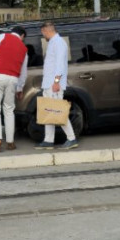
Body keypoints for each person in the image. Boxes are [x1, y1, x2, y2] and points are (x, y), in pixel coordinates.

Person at [34, 21, 78, 150]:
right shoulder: (54, 42)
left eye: (43, 33)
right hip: (49, 83)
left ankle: (71, 138)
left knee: (58, 111)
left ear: (46, 30)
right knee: (50, 110)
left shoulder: (58, 43)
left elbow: (60, 65)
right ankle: (48, 140)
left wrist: (56, 82)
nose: (43, 36)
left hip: (53, 84)